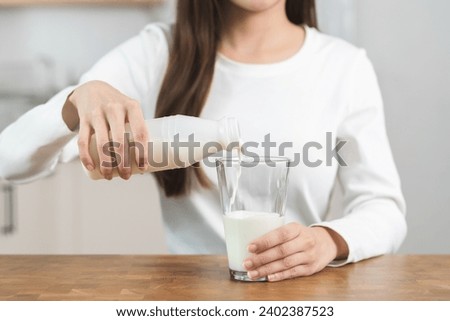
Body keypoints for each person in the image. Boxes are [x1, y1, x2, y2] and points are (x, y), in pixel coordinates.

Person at [0, 0, 406, 282]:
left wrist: (326, 241)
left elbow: (383, 207)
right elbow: (7, 160)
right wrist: (78, 98)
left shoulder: (344, 68)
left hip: (300, 295)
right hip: (189, 299)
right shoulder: (159, 53)